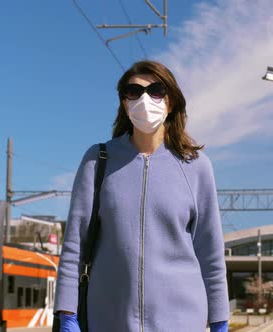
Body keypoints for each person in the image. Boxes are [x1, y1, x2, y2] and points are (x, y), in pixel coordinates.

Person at [54, 60, 230, 332]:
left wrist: (219, 320)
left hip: (183, 321)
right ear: (125, 103)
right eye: (133, 92)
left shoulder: (196, 166)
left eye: (156, 90)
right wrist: (67, 313)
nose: (145, 99)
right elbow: (75, 242)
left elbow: (210, 252)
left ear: (171, 101)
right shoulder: (98, 160)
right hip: (109, 319)